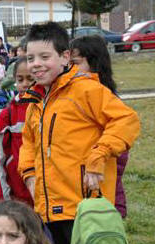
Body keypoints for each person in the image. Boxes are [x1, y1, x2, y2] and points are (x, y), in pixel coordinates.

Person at [18, 21, 140, 244]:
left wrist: (98, 155)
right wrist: (28, 175)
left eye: (44, 56)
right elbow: (28, 146)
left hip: (83, 210)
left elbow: (126, 120)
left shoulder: (86, 90)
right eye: (30, 57)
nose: (36, 64)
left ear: (65, 56)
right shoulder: (37, 101)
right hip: (49, 211)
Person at [69, 35, 129, 219]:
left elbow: (119, 153)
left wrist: (97, 159)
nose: (71, 69)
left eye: (76, 63)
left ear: (95, 63)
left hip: (100, 190)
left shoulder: (104, 100)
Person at [0, 57, 34, 206]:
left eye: (30, 79)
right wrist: (4, 200)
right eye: (20, 79)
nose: (25, 84)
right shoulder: (7, 115)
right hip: (19, 195)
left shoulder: (49, 109)